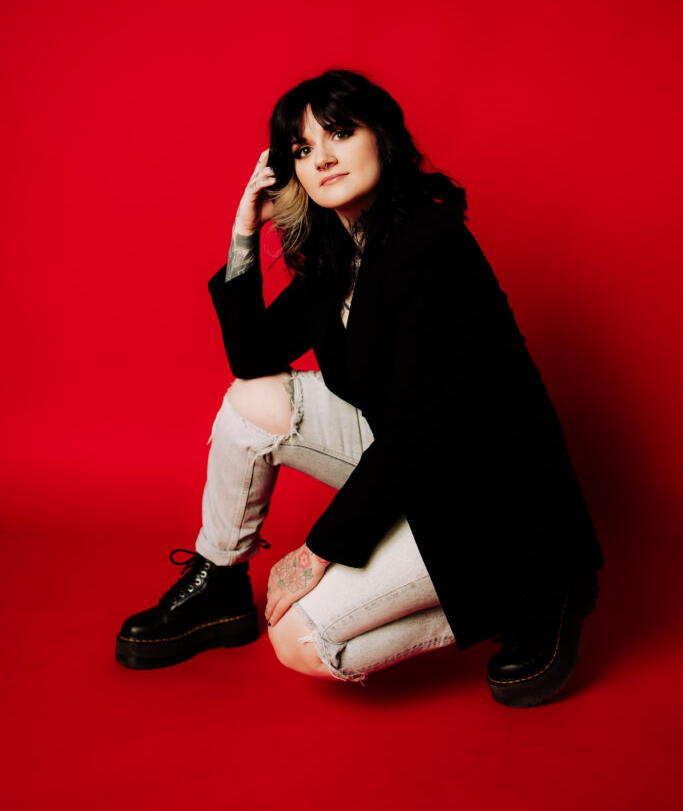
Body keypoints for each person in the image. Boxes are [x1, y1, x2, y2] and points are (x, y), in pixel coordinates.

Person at [115, 69, 604, 707]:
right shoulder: (339, 251)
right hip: (417, 466)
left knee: (298, 640)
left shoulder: (431, 243)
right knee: (251, 402)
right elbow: (252, 357)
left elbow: (422, 432)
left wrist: (317, 552)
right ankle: (221, 585)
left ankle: (533, 588)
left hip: (489, 494)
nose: (322, 158)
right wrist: (244, 233)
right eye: (303, 148)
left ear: (384, 137)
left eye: (340, 133)